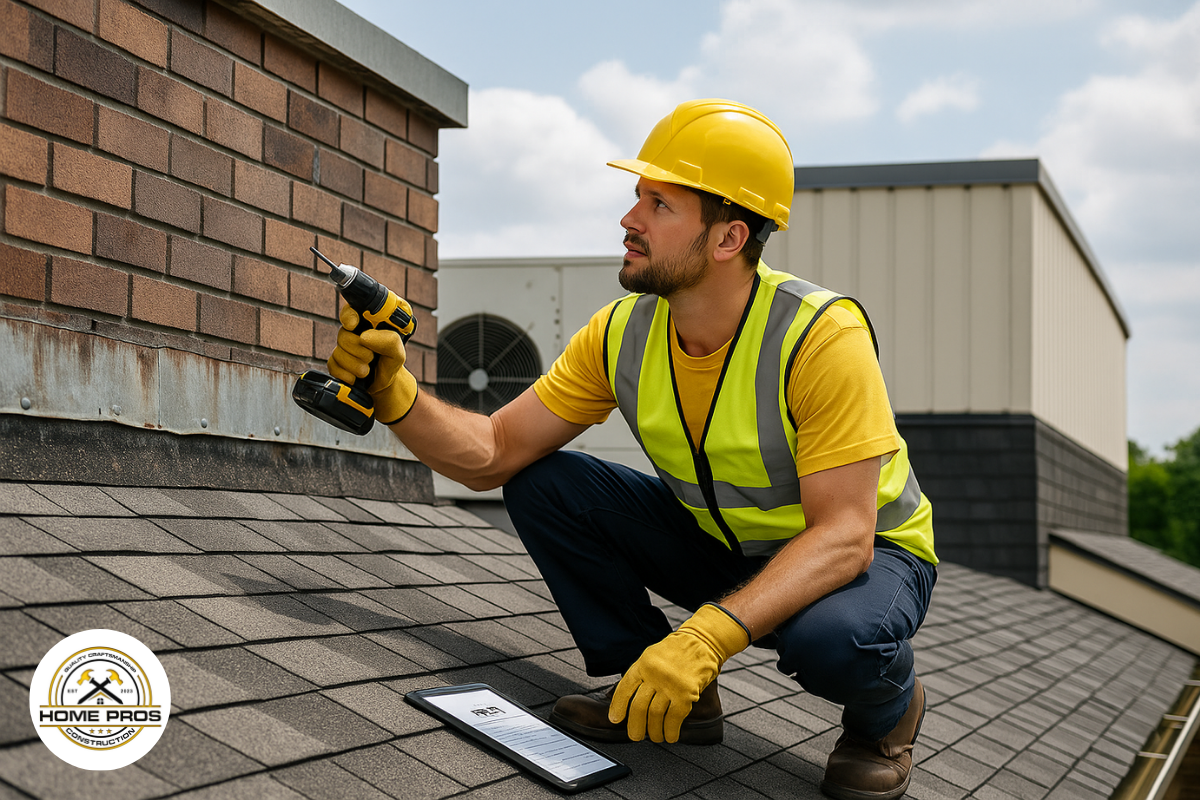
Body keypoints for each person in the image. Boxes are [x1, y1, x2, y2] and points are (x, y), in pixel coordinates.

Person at [327, 98, 938, 800]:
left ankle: (886, 715)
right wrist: (394, 393)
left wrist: (704, 638)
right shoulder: (624, 332)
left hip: (868, 559)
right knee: (544, 483)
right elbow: (495, 449)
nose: (629, 219)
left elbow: (845, 536)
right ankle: (668, 696)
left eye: (659, 204)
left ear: (727, 238)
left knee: (833, 642)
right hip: (727, 543)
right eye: (636, 198)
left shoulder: (821, 336)